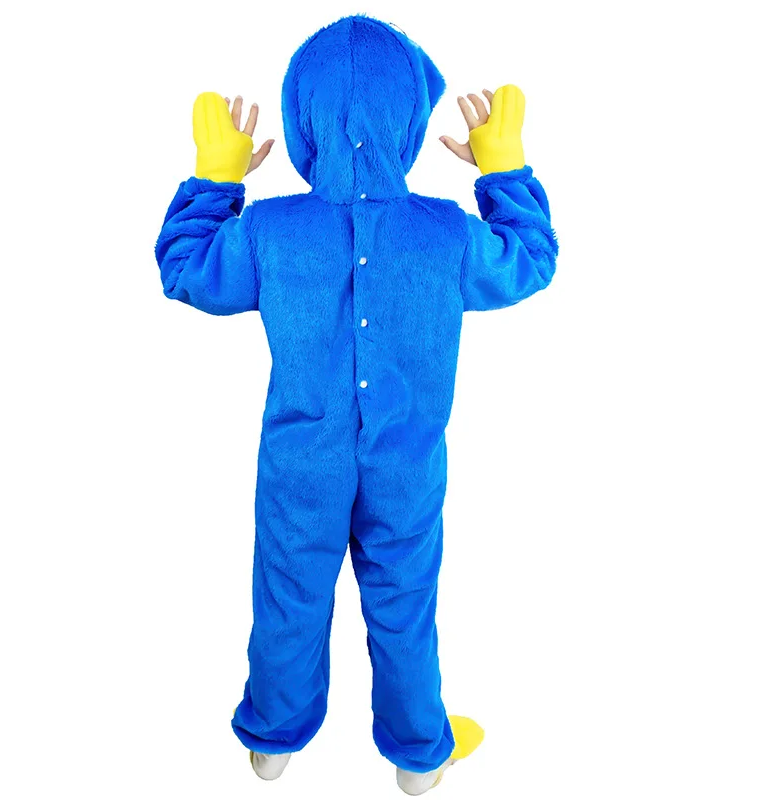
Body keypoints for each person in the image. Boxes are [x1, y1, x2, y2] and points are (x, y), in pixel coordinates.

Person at [155, 14, 557, 796]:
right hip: (407, 465)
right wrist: (504, 169)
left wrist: (215, 180)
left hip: (299, 460)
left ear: (303, 120)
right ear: (409, 120)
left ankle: (272, 744)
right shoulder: (445, 233)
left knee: (289, 592)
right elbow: (530, 261)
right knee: (405, 598)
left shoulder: (271, 230)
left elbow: (188, 270)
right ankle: (419, 756)